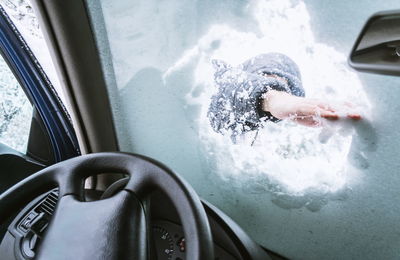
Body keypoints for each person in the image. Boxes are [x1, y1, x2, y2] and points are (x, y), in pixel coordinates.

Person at [207, 53, 361, 141]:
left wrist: (283, 102)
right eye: (268, 79)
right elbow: (223, 91)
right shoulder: (214, 74)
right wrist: (271, 98)